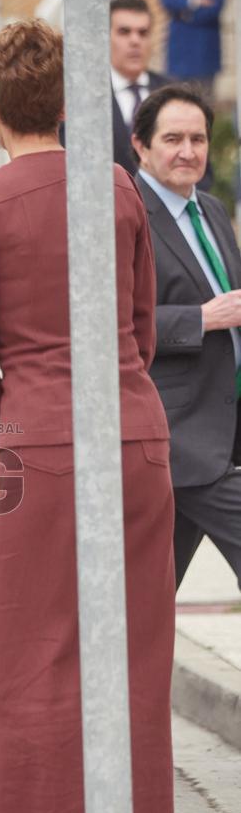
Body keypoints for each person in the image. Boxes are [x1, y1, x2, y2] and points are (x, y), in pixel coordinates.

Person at [0, 19, 175, 813]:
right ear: (74, 104)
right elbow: (143, 324)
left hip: (41, 444)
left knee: (34, 677)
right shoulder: (117, 186)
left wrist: (25, 415)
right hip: (136, 435)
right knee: (136, 678)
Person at [132, 84, 241, 591]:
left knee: (146, 594)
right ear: (141, 146)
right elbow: (108, 323)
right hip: (183, 433)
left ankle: (109, 671)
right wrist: (200, 318)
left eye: (198, 139)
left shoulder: (213, 210)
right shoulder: (127, 216)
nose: (188, 151)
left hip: (225, 423)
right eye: (173, 138)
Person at [109, 0, 170, 175]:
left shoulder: (174, 93)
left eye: (143, 33)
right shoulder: (85, 97)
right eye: (124, 32)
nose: (135, 41)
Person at [161, 0, 227, 99]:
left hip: (205, 53)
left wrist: (184, 14)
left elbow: (213, 9)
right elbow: (166, 0)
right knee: (176, 99)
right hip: (179, 53)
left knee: (205, 101)